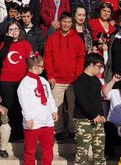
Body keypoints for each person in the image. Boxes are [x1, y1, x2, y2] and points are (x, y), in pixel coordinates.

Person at [43, 12, 85, 143]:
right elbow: (47, 58)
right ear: (59, 22)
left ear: (72, 23)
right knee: (57, 108)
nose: (66, 24)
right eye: (64, 21)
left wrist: (78, 77)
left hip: (73, 80)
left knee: (73, 107)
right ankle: (59, 131)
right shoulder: (52, 38)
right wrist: (50, 76)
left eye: (68, 22)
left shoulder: (77, 38)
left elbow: (81, 57)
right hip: (57, 80)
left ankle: (72, 131)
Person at [18, 54, 58, 165]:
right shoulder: (25, 83)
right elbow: (24, 102)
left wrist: (54, 110)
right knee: (30, 150)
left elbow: (49, 96)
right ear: (35, 66)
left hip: (47, 120)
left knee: (48, 148)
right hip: (34, 122)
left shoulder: (44, 80)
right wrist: (28, 118)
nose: (43, 68)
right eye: (42, 66)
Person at [0, 20, 32, 141]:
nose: (14, 32)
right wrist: (7, 42)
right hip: (6, 80)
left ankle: (20, 132)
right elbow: (0, 57)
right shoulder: (4, 43)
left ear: (20, 30)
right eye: (11, 29)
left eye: (16, 29)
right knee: (9, 106)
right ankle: (10, 132)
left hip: (21, 81)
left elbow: (30, 63)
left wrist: (27, 78)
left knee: (19, 106)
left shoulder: (25, 44)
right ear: (7, 32)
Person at [72, 53, 107, 165]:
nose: (100, 69)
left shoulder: (96, 81)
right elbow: (82, 101)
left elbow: (97, 100)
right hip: (83, 121)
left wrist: (101, 114)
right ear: (91, 64)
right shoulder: (80, 81)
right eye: (99, 66)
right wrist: (93, 115)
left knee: (99, 152)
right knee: (82, 153)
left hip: (98, 120)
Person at [102, 76, 121, 159]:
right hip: (112, 126)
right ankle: (109, 154)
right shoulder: (115, 92)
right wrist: (113, 81)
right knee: (108, 126)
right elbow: (104, 93)